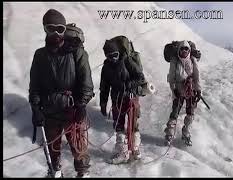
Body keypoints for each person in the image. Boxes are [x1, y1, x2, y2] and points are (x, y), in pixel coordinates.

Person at [29, 9, 94, 178]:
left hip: (71, 108)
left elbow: (86, 82)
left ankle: (83, 172)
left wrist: (81, 104)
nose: (56, 32)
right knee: (52, 147)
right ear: (45, 29)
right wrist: (35, 107)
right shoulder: (40, 55)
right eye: (51, 28)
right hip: (49, 109)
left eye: (60, 28)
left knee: (78, 145)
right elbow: (35, 85)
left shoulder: (76, 52)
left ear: (65, 29)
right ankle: (55, 171)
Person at [99, 36, 147, 164]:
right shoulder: (106, 67)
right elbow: (104, 87)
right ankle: (122, 151)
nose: (113, 58)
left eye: (115, 55)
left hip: (131, 97)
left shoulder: (127, 61)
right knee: (119, 125)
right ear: (106, 56)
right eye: (110, 56)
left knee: (133, 124)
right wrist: (103, 102)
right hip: (117, 100)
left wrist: (128, 85)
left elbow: (140, 78)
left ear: (119, 53)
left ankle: (135, 149)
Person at [164, 40, 202, 146]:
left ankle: (186, 133)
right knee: (175, 112)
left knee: (190, 113)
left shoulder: (192, 60)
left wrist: (198, 90)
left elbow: (197, 76)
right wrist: (174, 89)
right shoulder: (174, 61)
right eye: (182, 49)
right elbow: (171, 77)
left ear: (189, 50)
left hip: (191, 90)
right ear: (179, 50)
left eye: (186, 49)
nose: (184, 51)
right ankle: (169, 134)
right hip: (179, 90)